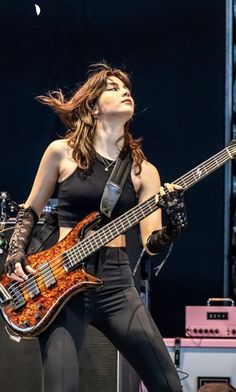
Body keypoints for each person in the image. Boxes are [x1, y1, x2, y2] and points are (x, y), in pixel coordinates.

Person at [5, 63, 187, 392]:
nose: (125, 92)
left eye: (127, 88)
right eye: (114, 88)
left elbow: (151, 243)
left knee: (168, 384)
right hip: (62, 282)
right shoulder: (62, 153)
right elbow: (29, 210)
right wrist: (16, 253)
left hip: (117, 286)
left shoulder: (144, 171)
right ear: (93, 105)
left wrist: (173, 225)